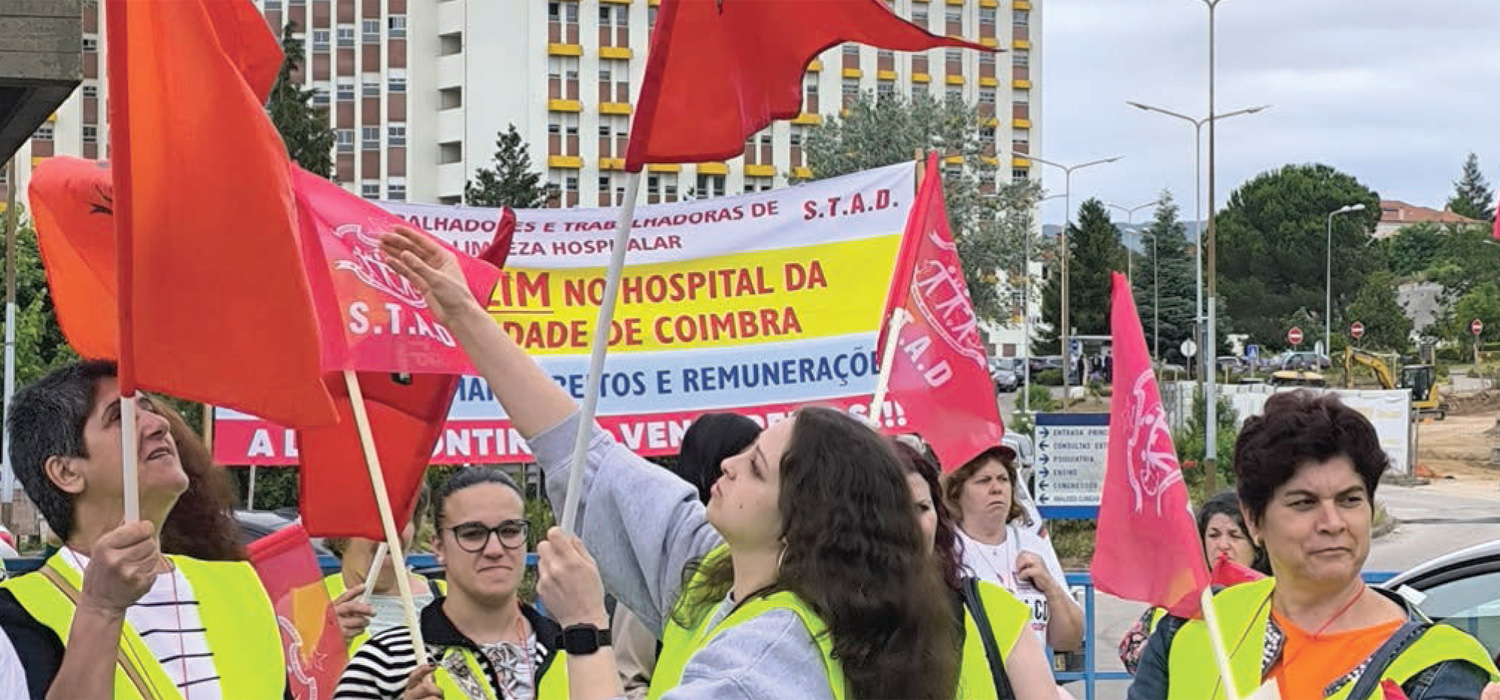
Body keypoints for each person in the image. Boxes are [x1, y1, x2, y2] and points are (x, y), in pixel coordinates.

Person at [381, 225, 960, 700]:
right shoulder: (715, 568)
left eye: (756, 467)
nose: (728, 466)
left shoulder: (766, 662)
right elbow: (580, 450)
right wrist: (463, 314)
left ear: (802, 526)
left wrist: (584, 625)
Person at [1129, 391, 1499, 699]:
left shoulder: (1437, 669)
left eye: (1349, 499)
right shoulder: (1193, 627)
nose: (1333, 523)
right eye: (1304, 503)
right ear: (1254, 519)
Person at [0, 360, 287, 698]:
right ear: (66, 472)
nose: (159, 423)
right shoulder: (17, 618)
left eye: (148, 408)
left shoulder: (240, 584)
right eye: (119, 417)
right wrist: (101, 609)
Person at [335, 467, 567, 699]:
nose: (495, 549)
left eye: (510, 531)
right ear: (438, 548)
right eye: (472, 534)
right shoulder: (383, 658)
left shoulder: (573, 647)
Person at [892, 437, 1057, 700]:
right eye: (893, 509)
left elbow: (1070, 636)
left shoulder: (994, 607)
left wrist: (1052, 588)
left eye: (922, 508)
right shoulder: (826, 614)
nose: (910, 524)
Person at [614, 412, 761, 700]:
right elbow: (629, 679)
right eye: (746, 461)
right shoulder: (667, 560)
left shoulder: (767, 567)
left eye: (757, 468)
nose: (734, 470)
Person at [945, 445, 1084, 653]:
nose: (996, 488)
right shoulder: (946, 548)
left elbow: (1069, 640)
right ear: (957, 493)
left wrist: (1050, 587)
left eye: (1003, 479)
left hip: (1031, 681)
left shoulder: (1033, 544)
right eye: (984, 481)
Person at [1117, 490, 1270, 674]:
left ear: (1256, 544)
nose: (1222, 545)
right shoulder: (1183, 593)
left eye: (1234, 536)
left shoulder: (1275, 594)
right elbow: (1131, 654)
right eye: (1213, 535)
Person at [323, 483, 447, 651]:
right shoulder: (303, 606)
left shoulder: (452, 600)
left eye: (402, 517)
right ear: (340, 537)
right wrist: (324, 651)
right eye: (374, 517)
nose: (390, 529)